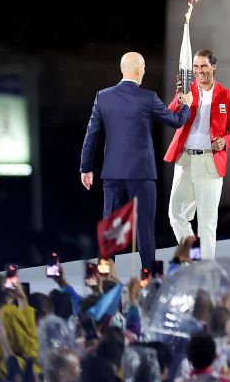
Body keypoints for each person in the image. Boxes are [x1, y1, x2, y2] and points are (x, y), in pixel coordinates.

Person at [80, 51, 192, 271]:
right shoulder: (147, 97)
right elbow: (176, 120)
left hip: (112, 174)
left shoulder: (103, 96)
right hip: (142, 175)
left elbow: (91, 134)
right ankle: (149, 278)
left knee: (111, 231)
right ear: (139, 70)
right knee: (144, 230)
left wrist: (86, 168)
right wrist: (186, 104)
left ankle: (104, 278)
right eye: (143, 67)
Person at [164, 50, 230, 261]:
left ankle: (205, 269)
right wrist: (180, 98)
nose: (199, 71)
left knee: (207, 221)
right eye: (196, 67)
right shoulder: (188, 91)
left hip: (210, 161)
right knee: (176, 214)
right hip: (186, 160)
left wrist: (225, 141)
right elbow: (170, 116)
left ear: (213, 67)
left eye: (204, 66)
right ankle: (195, 256)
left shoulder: (226, 95)